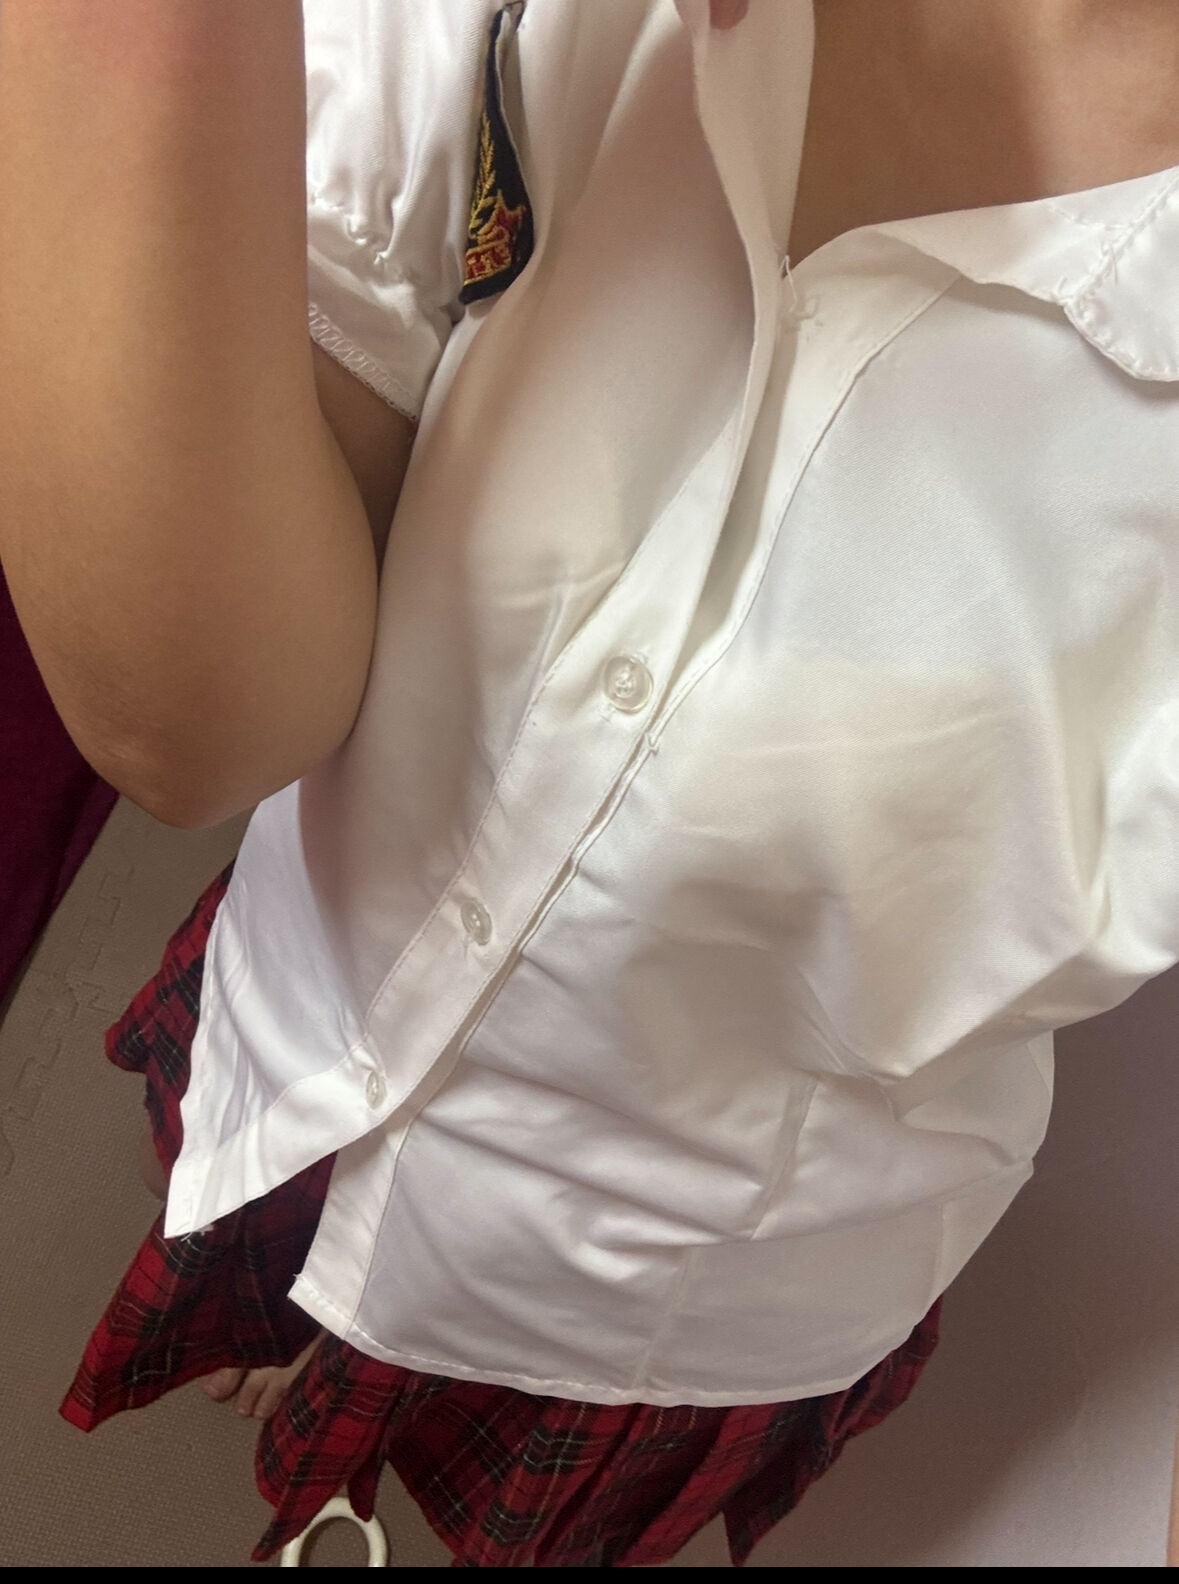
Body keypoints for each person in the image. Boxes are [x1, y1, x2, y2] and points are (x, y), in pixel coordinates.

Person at [2, 0, 1178, 1567]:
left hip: (662, 1293)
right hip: (307, 1013)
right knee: (277, 1262)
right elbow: (203, 720)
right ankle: (301, 1337)